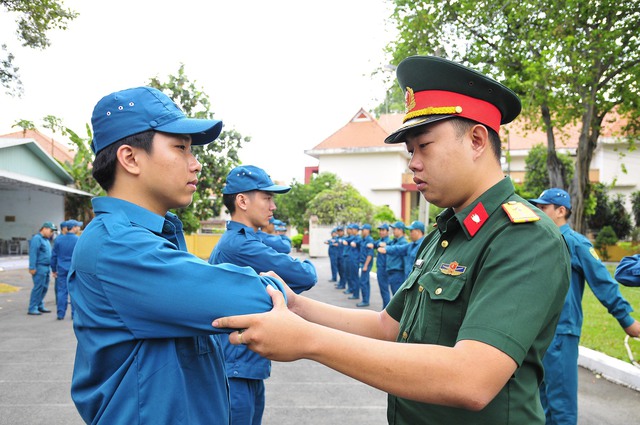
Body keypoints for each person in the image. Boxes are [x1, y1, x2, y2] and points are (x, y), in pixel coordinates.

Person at [213, 55, 571, 425]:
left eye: (424, 146)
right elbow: (389, 327)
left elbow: (471, 378)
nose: (413, 163)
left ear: (477, 140)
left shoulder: (522, 236)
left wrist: (307, 341)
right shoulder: (448, 233)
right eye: (410, 151)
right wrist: (297, 306)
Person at [67, 86, 287, 424]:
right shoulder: (118, 247)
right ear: (130, 158)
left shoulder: (149, 236)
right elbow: (253, 297)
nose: (196, 164)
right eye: (181, 148)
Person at [209, 164, 317, 425]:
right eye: (267, 198)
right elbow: (306, 275)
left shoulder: (245, 240)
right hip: (236, 364)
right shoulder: (239, 245)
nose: (273, 206)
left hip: (244, 363)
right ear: (242, 201)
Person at [529, 188, 640, 425]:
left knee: (561, 407)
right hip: (534, 335)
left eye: (543, 207)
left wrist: (627, 320)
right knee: (538, 403)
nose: (538, 212)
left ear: (561, 211)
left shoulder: (576, 244)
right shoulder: (536, 242)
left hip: (561, 334)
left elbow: (604, 282)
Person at [51, 219, 83, 320]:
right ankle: (74, 314)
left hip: (61, 269)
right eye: (77, 226)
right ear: (73, 227)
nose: (79, 228)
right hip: (74, 269)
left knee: (61, 291)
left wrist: (53, 269)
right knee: (74, 291)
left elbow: (53, 256)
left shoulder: (59, 240)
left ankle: (60, 314)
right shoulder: (78, 240)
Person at [27, 221, 56, 315]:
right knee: (38, 287)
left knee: (44, 287)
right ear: (44, 229)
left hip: (46, 267)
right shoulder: (37, 239)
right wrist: (32, 267)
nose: (52, 233)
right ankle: (32, 307)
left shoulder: (46, 240)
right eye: (51, 231)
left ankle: (40, 305)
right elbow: (33, 253)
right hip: (39, 267)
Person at [377, 221, 408, 295]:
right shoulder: (394, 241)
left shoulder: (403, 243)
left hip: (398, 273)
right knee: (394, 295)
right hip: (392, 272)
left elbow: (395, 249)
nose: (393, 231)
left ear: (400, 230)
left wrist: (386, 248)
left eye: (395, 229)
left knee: (397, 297)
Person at [371, 223, 392, 308]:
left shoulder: (389, 241)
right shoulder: (380, 241)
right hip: (380, 268)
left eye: (383, 230)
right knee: (383, 290)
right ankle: (385, 307)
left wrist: (386, 245)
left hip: (385, 268)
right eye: (380, 230)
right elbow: (374, 244)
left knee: (385, 290)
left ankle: (386, 309)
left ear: (387, 231)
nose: (381, 232)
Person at [356, 223, 374, 307]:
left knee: (363, 282)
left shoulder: (369, 240)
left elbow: (370, 254)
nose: (362, 231)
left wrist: (366, 265)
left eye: (363, 230)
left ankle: (365, 300)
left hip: (366, 264)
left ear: (368, 230)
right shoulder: (363, 240)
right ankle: (365, 299)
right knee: (365, 282)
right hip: (362, 263)